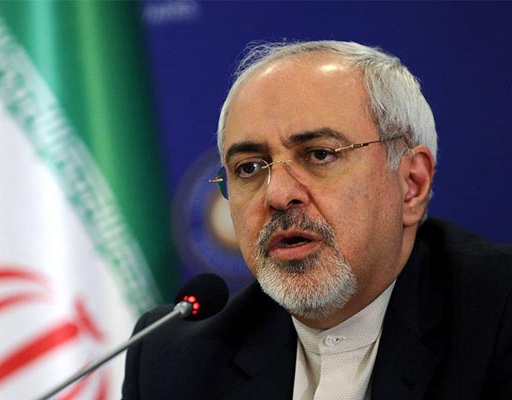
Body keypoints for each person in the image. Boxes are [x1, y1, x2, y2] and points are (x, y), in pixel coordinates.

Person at [122, 40, 512, 399]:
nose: (277, 195)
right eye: (249, 167)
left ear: (411, 184)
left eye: (319, 155)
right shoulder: (173, 362)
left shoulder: (498, 317)